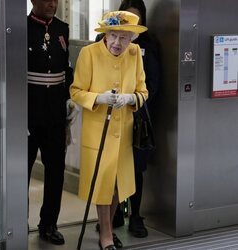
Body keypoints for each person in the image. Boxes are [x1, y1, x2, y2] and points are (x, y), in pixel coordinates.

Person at [70, 11, 148, 250]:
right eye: (113, 35)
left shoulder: (135, 55)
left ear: (132, 39)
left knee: (117, 185)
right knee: (102, 182)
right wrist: (99, 98)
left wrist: (130, 98)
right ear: (105, 33)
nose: (117, 43)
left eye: (124, 38)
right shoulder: (89, 54)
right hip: (98, 132)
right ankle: (106, 235)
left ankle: (108, 228)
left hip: (123, 132)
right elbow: (75, 91)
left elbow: (144, 93)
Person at [96, 0, 161, 238]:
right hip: (106, 115)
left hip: (137, 116)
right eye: (126, 18)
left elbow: (152, 84)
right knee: (108, 171)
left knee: (134, 169)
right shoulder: (102, 44)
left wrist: (134, 100)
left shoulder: (146, 46)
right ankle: (111, 218)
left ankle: (135, 216)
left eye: (136, 20)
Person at [28, 0, 74, 245]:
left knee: (55, 171)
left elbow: (66, 69)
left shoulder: (61, 28)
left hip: (55, 113)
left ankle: (49, 224)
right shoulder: (22, 27)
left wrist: (69, 99)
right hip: (28, 112)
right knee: (21, 170)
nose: (51, 4)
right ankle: (17, 220)